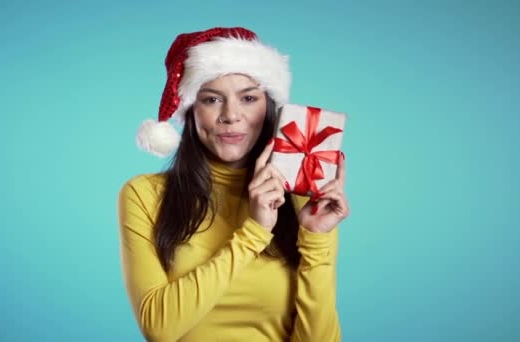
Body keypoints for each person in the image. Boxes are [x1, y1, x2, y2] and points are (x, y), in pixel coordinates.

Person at [118, 27, 350, 342]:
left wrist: (317, 241)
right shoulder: (145, 195)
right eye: (212, 99)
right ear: (191, 112)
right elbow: (159, 329)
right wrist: (254, 232)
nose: (231, 115)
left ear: (269, 108)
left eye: (249, 98)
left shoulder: (302, 200)